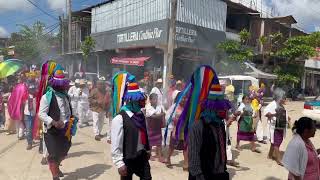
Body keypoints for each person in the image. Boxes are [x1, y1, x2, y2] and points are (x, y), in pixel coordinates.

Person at [183, 65, 231, 180]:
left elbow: (221, 152)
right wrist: (199, 175)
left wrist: (223, 170)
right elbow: (193, 158)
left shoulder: (219, 125)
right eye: (218, 108)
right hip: (202, 176)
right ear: (210, 108)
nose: (222, 111)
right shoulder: (197, 126)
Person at [38, 63, 78, 180]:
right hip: (52, 130)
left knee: (64, 152)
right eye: (59, 84)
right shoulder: (47, 96)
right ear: (54, 84)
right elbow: (41, 114)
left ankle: (56, 167)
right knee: (53, 154)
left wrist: (73, 118)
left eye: (63, 84)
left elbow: (69, 111)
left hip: (66, 130)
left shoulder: (66, 96)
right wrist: (54, 122)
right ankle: (55, 175)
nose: (62, 86)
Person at [111, 82, 151, 180]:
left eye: (142, 100)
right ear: (131, 101)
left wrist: (147, 149)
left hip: (141, 156)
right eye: (139, 101)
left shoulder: (140, 115)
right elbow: (116, 143)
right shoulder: (119, 118)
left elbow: (144, 133)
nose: (142, 103)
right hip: (127, 158)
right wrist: (119, 163)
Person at [264, 88, 289, 166]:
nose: (285, 99)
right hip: (275, 127)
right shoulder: (272, 104)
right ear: (279, 97)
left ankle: (270, 155)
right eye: (283, 97)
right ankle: (278, 159)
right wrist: (274, 115)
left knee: (274, 142)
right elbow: (266, 113)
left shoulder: (281, 105)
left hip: (281, 126)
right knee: (276, 143)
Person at [165, 91, 189, 170]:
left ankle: (186, 163)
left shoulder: (188, 107)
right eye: (182, 98)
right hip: (175, 129)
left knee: (185, 147)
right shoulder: (174, 106)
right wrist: (174, 119)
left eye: (185, 98)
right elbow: (168, 115)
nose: (184, 100)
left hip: (185, 130)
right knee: (172, 146)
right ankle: (168, 159)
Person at [145, 93, 166, 163]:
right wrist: (162, 114)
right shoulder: (148, 107)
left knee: (159, 142)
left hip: (157, 127)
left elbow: (163, 114)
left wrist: (164, 122)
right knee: (150, 143)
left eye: (156, 98)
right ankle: (150, 155)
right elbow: (153, 116)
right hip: (150, 127)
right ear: (150, 100)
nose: (155, 100)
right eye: (154, 99)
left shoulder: (160, 106)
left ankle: (159, 156)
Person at [24, 84, 36, 150]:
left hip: (33, 114)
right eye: (31, 89)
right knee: (28, 130)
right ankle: (29, 143)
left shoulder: (36, 97)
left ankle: (31, 139)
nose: (32, 90)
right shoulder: (25, 96)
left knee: (32, 128)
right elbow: (22, 105)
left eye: (33, 89)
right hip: (27, 114)